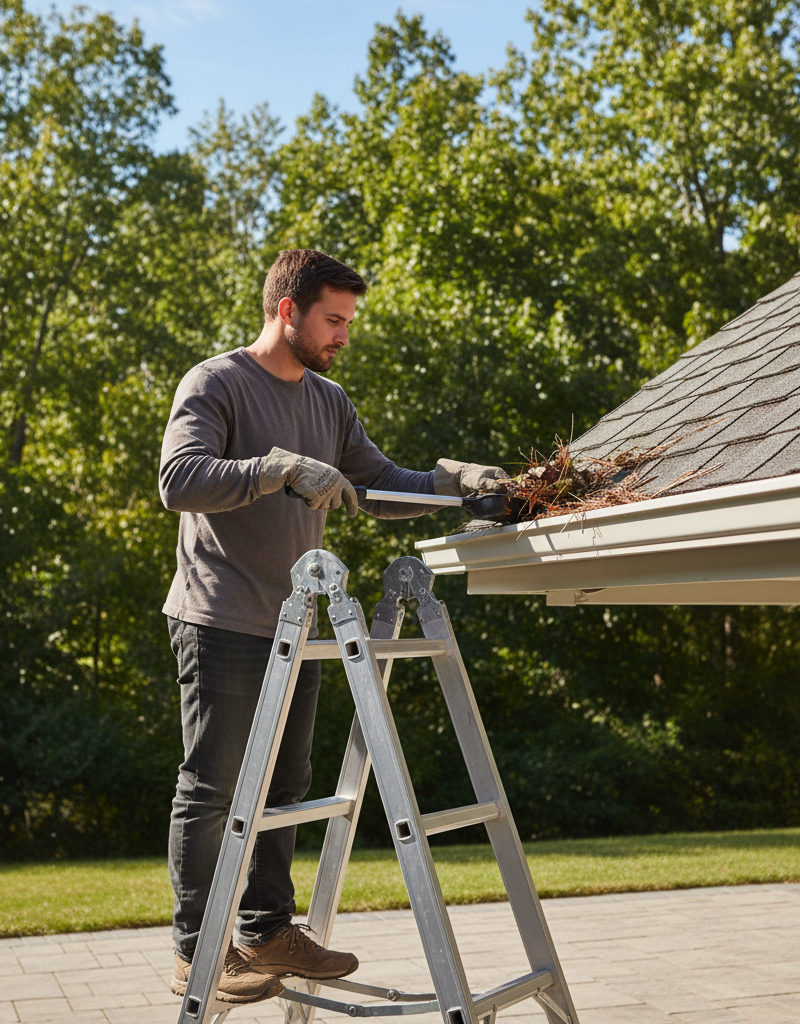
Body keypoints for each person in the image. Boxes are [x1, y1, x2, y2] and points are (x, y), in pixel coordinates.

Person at [159, 249, 509, 1004]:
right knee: (213, 787)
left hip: (295, 620)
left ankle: (266, 930)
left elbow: (378, 486)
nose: (343, 335)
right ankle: (199, 954)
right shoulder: (215, 382)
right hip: (219, 616)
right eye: (333, 320)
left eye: (348, 322)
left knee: (288, 784)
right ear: (287, 310)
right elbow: (178, 480)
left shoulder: (330, 401)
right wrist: (276, 467)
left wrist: (455, 485)